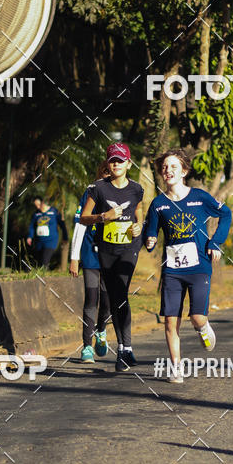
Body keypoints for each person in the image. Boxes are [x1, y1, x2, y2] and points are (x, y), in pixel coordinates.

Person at [144, 149, 232, 383]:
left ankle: (203, 328)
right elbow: (150, 231)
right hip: (172, 270)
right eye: (164, 167)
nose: (168, 170)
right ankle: (176, 368)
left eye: (173, 166)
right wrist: (150, 240)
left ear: (183, 171)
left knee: (196, 317)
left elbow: (226, 214)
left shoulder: (200, 198)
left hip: (199, 266)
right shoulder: (158, 204)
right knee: (170, 321)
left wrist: (216, 242)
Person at [79, 142, 144, 372]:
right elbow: (83, 217)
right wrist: (102, 217)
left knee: (121, 293)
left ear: (129, 163)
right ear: (108, 162)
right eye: (112, 160)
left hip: (129, 248)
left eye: (120, 160)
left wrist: (139, 225)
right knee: (117, 297)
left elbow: (138, 209)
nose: (116, 164)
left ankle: (124, 350)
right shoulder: (98, 188)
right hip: (105, 250)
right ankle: (126, 348)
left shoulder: (136, 189)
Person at [70, 162, 111, 363]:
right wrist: (74, 257)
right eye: (103, 173)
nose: (106, 177)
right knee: (91, 298)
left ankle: (101, 331)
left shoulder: (118, 194)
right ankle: (87, 346)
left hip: (111, 256)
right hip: (90, 255)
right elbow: (79, 226)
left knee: (107, 301)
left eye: (109, 174)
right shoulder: (90, 191)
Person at [27, 197, 68, 268]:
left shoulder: (54, 211)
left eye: (39, 204)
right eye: (36, 205)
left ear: (43, 203)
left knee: (45, 261)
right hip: (39, 242)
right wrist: (30, 236)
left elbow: (62, 225)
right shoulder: (36, 214)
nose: (38, 207)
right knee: (39, 262)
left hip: (51, 241)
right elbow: (32, 226)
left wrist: (65, 237)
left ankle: (44, 276)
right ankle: (41, 275)